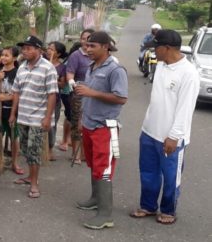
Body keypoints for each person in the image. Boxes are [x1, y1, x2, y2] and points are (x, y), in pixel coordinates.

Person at [130, 29, 199, 226]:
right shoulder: (160, 66)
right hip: (149, 132)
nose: (153, 53)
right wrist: (146, 126)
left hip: (171, 138)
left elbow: (185, 109)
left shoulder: (188, 73)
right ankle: (148, 205)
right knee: (148, 172)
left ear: (167, 48)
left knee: (170, 177)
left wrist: (174, 136)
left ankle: (168, 209)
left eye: (156, 48)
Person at [72, 31, 128, 229]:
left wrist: (91, 92)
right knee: (94, 164)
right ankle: (95, 198)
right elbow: (88, 97)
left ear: (105, 46)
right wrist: (81, 118)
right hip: (89, 123)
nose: (87, 50)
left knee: (104, 168)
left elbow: (121, 98)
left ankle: (105, 215)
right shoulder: (91, 66)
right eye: (87, 46)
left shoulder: (116, 69)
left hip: (106, 126)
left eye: (92, 46)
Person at [9, 36, 58, 199]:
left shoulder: (48, 68)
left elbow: (52, 94)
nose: (25, 51)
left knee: (34, 150)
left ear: (39, 50)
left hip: (38, 118)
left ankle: (34, 183)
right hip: (23, 117)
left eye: (29, 48)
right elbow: (16, 91)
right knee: (25, 149)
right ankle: (30, 176)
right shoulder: (22, 67)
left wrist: (47, 117)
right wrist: (13, 113)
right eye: (24, 48)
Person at [0, 47, 21, 174]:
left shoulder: (18, 73)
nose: (3, 58)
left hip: (12, 111)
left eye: (7, 55)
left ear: (14, 58)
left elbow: (20, 94)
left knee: (14, 137)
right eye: (2, 55)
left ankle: (14, 163)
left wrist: (7, 96)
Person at [66, 28, 94, 164]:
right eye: (83, 38)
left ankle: (85, 154)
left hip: (94, 96)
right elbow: (70, 73)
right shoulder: (76, 56)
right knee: (77, 124)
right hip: (79, 95)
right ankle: (75, 154)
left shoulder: (97, 56)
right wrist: (73, 85)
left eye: (89, 39)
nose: (86, 41)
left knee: (89, 125)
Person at [46, 41, 68, 161]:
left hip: (54, 100)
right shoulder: (42, 64)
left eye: (52, 49)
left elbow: (62, 84)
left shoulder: (62, 68)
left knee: (51, 125)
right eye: (48, 48)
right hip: (40, 99)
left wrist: (51, 78)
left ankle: (49, 149)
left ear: (58, 54)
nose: (48, 51)